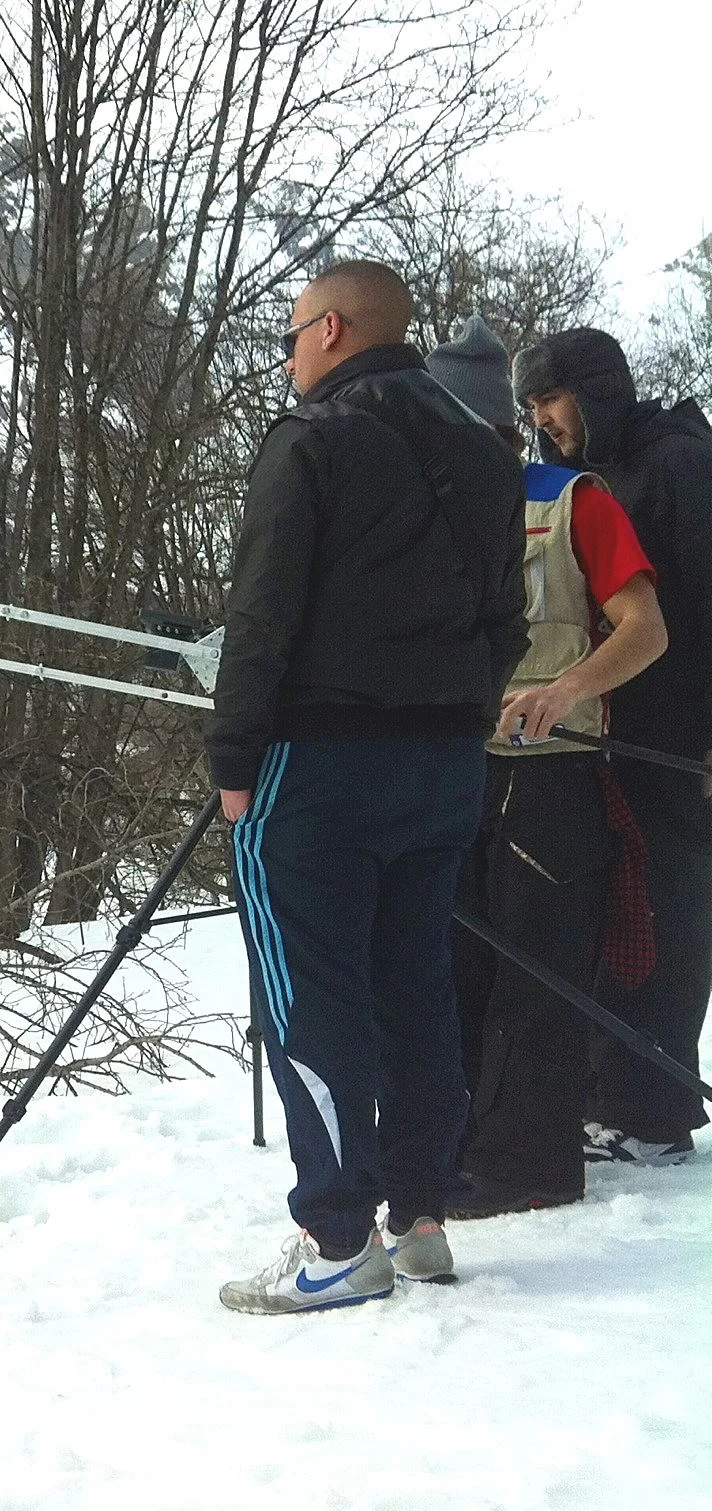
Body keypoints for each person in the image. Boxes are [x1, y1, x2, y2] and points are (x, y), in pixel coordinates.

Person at [209, 262, 527, 1314]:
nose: (288, 358)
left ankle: (338, 1236)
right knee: (414, 982)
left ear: (333, 329)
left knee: (310, 993)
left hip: (317, 762)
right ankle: (420, 1214)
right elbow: (507, 623)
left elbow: (261, 613)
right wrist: (460, 714)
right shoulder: (487, 455)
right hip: (443, 765)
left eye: (292, 336)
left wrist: (233, 756)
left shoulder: (312, 438)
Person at [424, 316, 666, 1219]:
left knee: (536, 972)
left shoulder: (572, 501)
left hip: (552, 772)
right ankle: (455, 1146)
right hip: (451, 767)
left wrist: (566, 690)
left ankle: (531, 1164)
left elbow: (647, 628)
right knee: (451, 965)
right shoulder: (413, 509)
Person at [513, 328, 712, 1169]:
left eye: (551, 399)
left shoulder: (680, 463)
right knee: (623, 914)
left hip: (684, 743)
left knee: (670, 914)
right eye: (531, 406)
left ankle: (654, 1112)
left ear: (595, 389)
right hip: (611, 735)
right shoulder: (597, 478)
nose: (543, 419)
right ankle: (609, 1095)